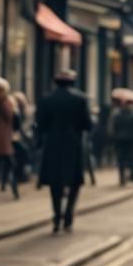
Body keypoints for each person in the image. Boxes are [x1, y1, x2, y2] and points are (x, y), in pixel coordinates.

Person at [34, 68, 92, 232]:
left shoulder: (46, 100)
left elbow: (40, 125)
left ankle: (56, 216)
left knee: (55, 183)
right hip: (73, 146)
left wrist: (38, 143)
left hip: (52, 146)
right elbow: (88, 125)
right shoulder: (80, 100)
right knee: (74, 182)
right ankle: (68, 216)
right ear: (72, 82)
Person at [110, 98, 133, 185]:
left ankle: (122, 177)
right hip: (130, 139)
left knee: (121, 158)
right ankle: (132, 176)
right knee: (131, 158)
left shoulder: (117, 114)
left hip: (120, 139)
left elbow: (113, 127)